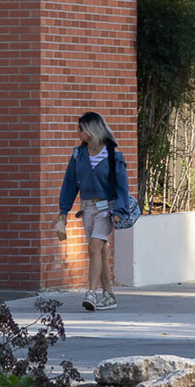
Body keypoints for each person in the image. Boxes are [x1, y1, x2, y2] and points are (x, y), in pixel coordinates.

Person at [54, 112, 130, 311]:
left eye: (81, 128)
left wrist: (119, 211)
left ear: (92, 129)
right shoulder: (78, 155)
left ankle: (91, 293)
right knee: (101, 252)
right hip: (87, 209)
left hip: (107, 209)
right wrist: (64, 211)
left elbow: (122, 186)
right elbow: (69, 184)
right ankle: (109, 294)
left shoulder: (113, 155)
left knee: (94, 248)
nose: (77, 132)